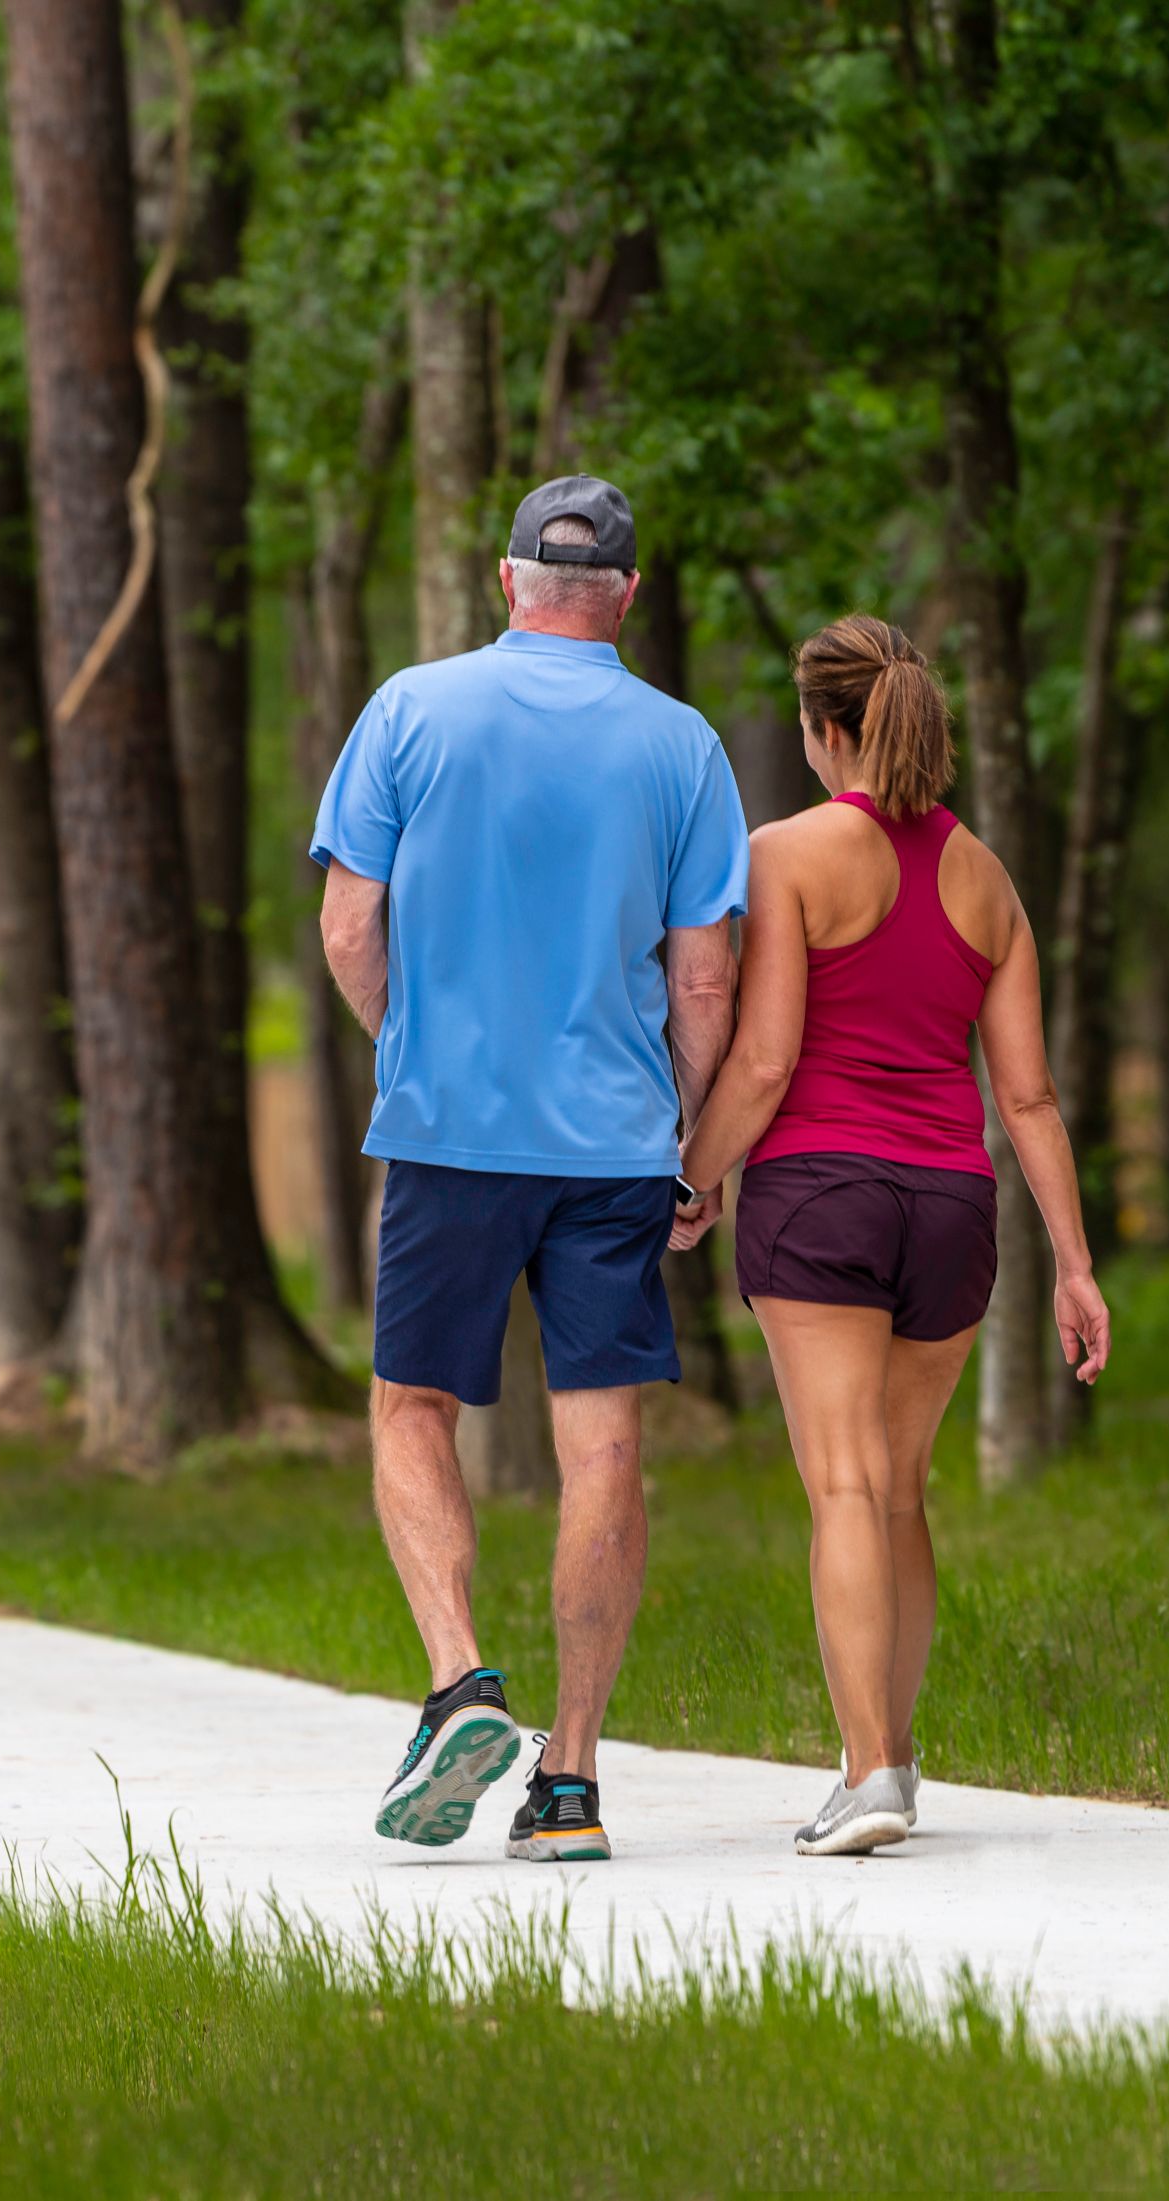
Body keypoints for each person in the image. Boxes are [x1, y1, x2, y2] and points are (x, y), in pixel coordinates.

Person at [311, 476, 748, 1864]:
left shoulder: (408, 711)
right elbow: (703, 977)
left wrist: (413, 1048)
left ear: (507, 582)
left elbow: (347, 927)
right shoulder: (682, 746)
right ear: (627, 595)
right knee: (600, 1440)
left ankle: (459, 1680)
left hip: (447, 1130)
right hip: (613, 1146)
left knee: (411, 1405)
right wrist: (685, 1136)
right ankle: (568, 1781)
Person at [673, 614, 1111, 1857]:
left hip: (820, 1192)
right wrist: (1074, 1265)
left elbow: (763, 1062)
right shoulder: (986, 879)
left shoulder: (784, 853)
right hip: (951, 1208)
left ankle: (865, 1770)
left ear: (826, 730)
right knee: (901, 1491)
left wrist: (689, 1178)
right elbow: (1028, 1098)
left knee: (844, 1485)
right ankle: (895, 1760)